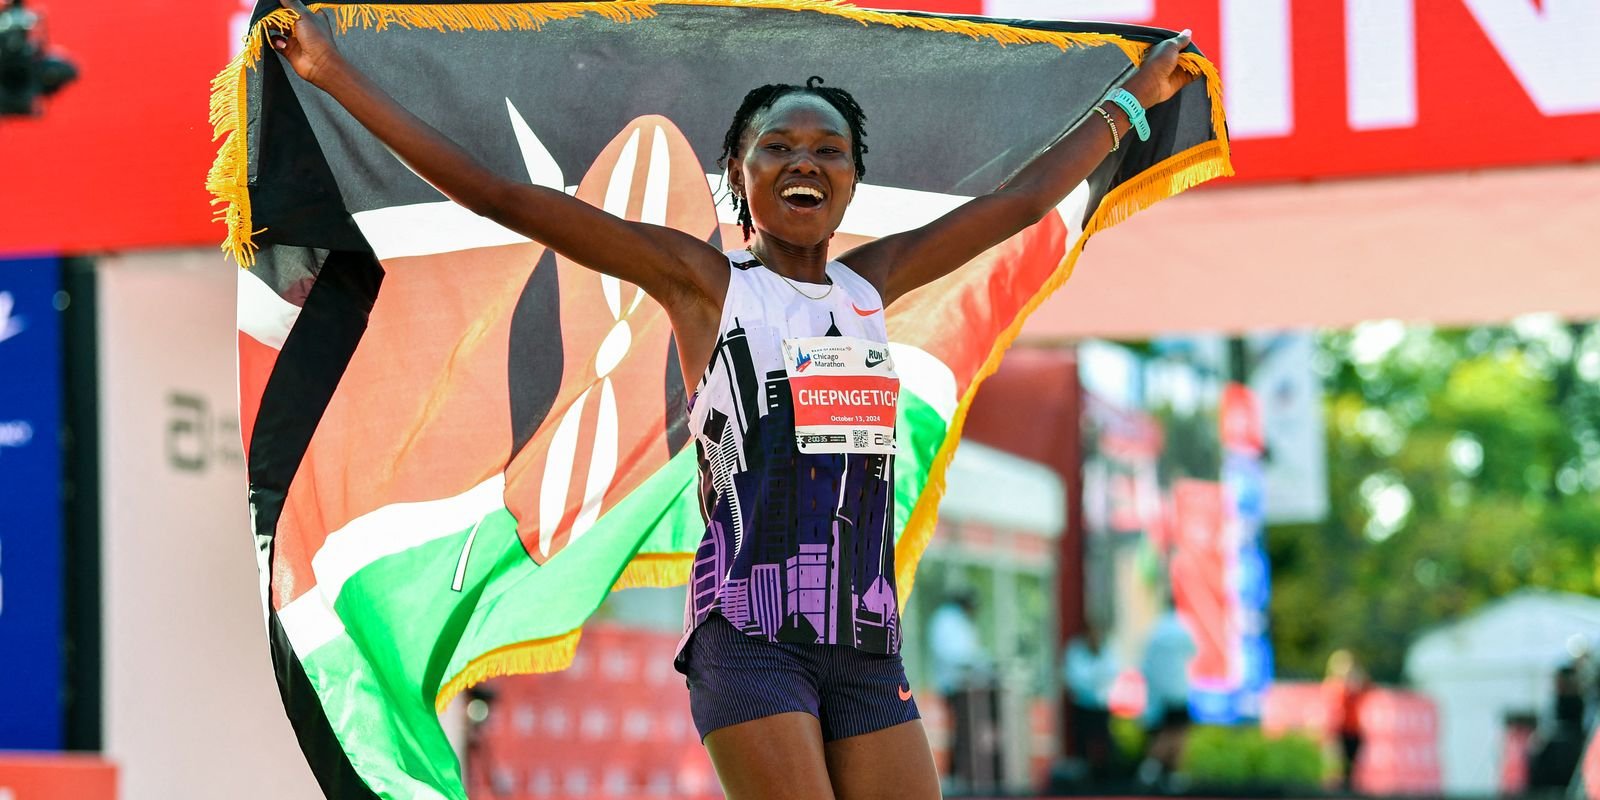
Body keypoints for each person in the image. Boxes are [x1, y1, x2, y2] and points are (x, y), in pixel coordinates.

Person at [268, 5, 1195, 797]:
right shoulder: (703, 284)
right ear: (739, 181)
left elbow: (1021, 200)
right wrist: (335, 74)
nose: (806, 160)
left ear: (849, 183)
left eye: (828, 149)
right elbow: (505, 197)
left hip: (868, 652)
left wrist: (1129, 103)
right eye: (777, 147)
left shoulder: (874, 285)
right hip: (751, 644)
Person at [928, 588, 996, 792]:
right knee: (959, 732)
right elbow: (954, 655)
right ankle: (956, 776)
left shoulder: (961, 622)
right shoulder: (947, 620)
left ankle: (968, 775)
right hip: (954, 686)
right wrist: (976, 663)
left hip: (968, 687)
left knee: (966, 733)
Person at [1139, 602, 1195, 791]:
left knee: (1165, 734)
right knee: (1177, 735)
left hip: (1159, 693)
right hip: (1178, 690)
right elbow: (1193, 651)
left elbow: (1146, 664)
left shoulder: (1156, 632)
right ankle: (1158, 773)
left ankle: (1156, 773)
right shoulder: (1182, 628)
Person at [1064, 621, 1119, 782]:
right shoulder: (1076, 651)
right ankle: (1084, 777)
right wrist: (1097, 677)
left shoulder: (1106, 651)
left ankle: (1105, 775)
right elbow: (1077, 679)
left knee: (1105, 741)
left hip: (1101, 706)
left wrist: (1095, 677)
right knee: (1082, 741)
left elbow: (1111, 674)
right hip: (1083, 705)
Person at [1322, 649, 1370, 793]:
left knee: (1352, 768)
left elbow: (1366, 688)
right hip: (1337, 731)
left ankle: (1349, 791)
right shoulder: (1333, 685)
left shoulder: (1355, 685)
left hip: (1353, 729)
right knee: (1336, 768)